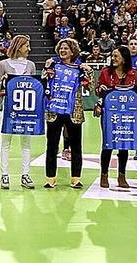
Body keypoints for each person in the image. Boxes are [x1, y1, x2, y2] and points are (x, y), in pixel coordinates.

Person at [43, 38, 93, 189]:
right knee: (51, 145)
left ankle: (75, 179)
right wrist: (47, 70)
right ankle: (50, 178)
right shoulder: (53, 65)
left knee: (76, 146)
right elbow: (44, 81)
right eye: (61, 48)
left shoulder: (80, 68)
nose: (63, 51)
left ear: (73, 51)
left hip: (74, 111)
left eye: (66, 48)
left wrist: (88, 70)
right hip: (54, 109)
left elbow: (90, 87)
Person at [0, 35, 37, 190]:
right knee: (5, 143)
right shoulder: (3, 64)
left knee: (26, 143)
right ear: (19, 46)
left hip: (26, 110)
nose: (29, 49)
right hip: (8, 109)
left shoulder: (31, 65)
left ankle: (25, 174)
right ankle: (4, 175)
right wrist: (4, 83)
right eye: (27, 46)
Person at [95, 46, 137, 189]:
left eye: (116, 56)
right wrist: (99, 90)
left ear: (124, 59)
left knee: (124, 145)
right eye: (112, 56)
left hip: (128, 115)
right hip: (109, 114)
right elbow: (98, 92)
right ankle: (104, 175)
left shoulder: (134, 73)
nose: (113, 59)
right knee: (108, 144)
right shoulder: (105, 72)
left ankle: (122, 176)